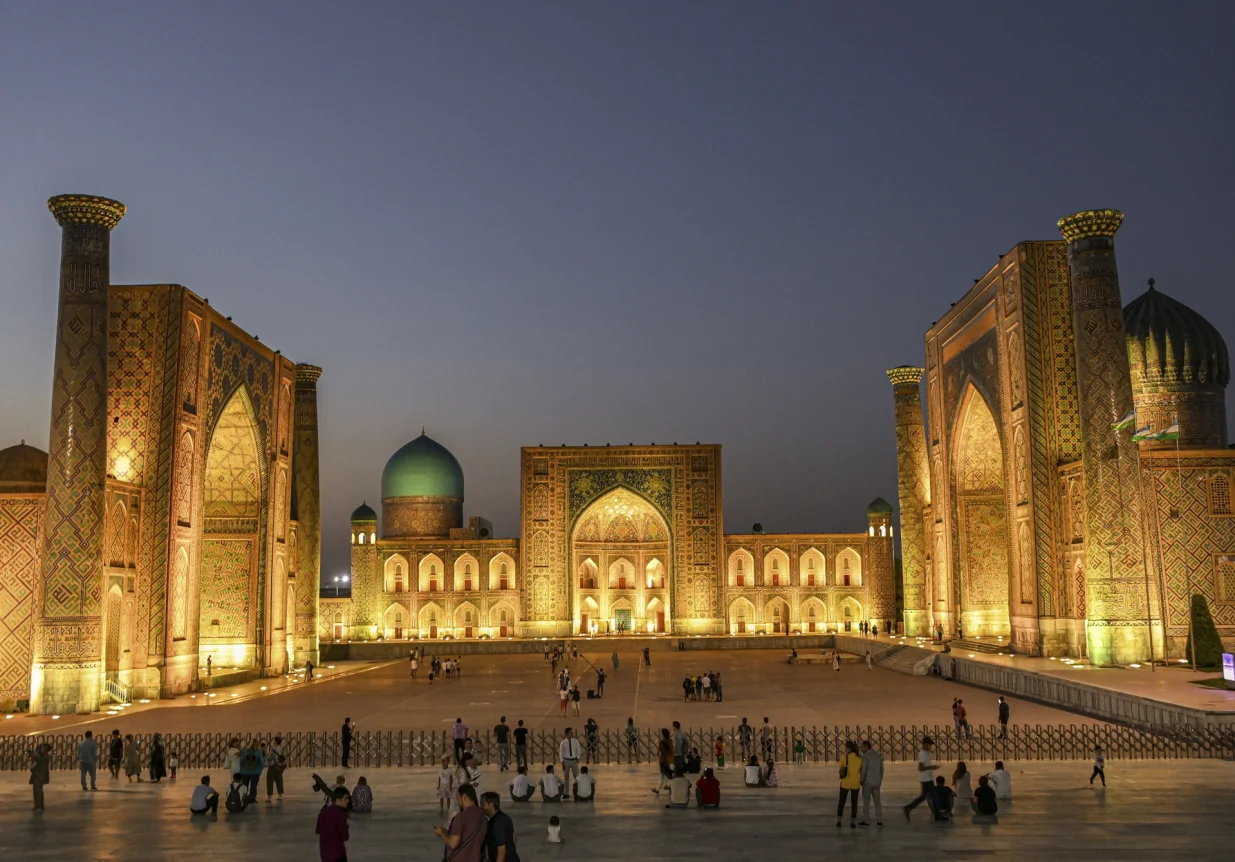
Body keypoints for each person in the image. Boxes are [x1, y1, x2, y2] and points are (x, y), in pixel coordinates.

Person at [437, 783, 485, 862]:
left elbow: (453, 844)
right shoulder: (483, 817)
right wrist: (445, 832)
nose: (458, 802)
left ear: (464, 797)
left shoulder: (461, 817)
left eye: (458, 798)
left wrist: (441, 833)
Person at [903, 736, 939, 822]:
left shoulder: (925, 753)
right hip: (927, 780)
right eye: (929, 745)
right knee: (935, 796)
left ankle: (909, 807)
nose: (930, 747)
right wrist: (932, 767)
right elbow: (920, 768)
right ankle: (938, 815)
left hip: (926, 778)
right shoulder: (923, 754)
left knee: (923, 796)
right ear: (925, 744)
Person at [481, 792, 521, 862]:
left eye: (483, 804)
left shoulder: (498, 822)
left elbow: (501, 850)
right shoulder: (502, 818)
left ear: (491, 805)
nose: (481, 807)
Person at [316, 786, 350, 862]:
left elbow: (318, 830)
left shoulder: (323, 813)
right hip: (338, 854)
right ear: (338, 800)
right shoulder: (340, 814)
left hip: (325, 855)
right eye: (345, 799)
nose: (348, 801)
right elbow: (345, 836)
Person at [836, 740, 862, 828]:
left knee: (841, 802)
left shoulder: (844, 757)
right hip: (855, 784)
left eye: (846, 748)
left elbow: (840, 769)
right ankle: (852, 822)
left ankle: (839, 820)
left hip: (845, 783)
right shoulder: (859, 759)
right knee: (854, 803)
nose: (845, 749)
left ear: (849, 749)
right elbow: (861, 771)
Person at [858, 739, 884, 827]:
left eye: (862, 747)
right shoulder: (878, 755)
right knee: (877, 802)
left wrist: (861, 780)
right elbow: (882, 770)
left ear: (866, 747)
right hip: (877, 783)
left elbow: (863, 770)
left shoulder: (865, 757)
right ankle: (879, 820)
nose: (861, 749)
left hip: (867, 783)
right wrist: (879, 780)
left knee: (866, 802)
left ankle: (866, 820)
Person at [29, 742, 50, 811]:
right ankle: (40, 805)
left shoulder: (39, 756)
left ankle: (38, 806)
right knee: (39, 791)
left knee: (37, 791)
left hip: (38, 775)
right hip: (42, 775)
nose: (42, 750)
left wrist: (31, 768)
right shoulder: (46, 756)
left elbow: (35, 763)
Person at [653, 728, 675, 796]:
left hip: (663, 761)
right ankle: (664, 787)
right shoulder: (671, 741)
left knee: (664, 775)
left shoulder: (662, 742)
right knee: (667, 774)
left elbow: (659, 752)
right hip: (670, 760)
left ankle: (663, 788)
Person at [267, 734, 287, 801]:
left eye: (274, 741)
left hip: (273, 766)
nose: (273, 742)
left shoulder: (273, 749)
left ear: (275, 741)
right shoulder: (282, 748)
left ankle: (269, 797)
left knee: (270, 781)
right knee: (279, 780)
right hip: (280, 766)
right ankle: (280, 795)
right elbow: (284, 756)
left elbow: (269, 758)